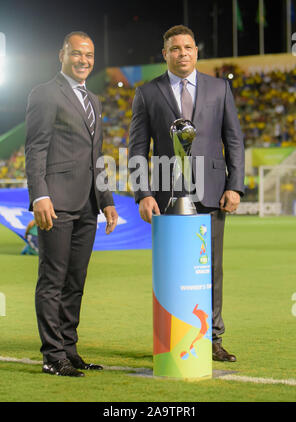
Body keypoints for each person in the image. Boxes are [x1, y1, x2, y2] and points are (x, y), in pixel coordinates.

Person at [128, 25, 245, 362]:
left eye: (188, 47)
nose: (182, 53)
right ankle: (173, 336)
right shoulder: (147, 93)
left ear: (197, 52)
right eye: (175, 48)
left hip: (211, 192)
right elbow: (137, 148)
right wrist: (142, 193)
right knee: (172, 267)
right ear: (164, 54)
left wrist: (235, 185)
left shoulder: (219, 88)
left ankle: (213, 338)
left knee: (212, 268)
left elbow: (233, 139)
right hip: (166, 195)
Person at [25, 31, 118, 377]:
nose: (84, 60)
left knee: (75, 281)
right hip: (56, 202)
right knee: (53, 280)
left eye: (90, 55)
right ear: (61, 54)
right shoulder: (45, 94)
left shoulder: (93, 100)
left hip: (87, 206)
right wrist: (40, 194)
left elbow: (97, 158)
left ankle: (69, 348)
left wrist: (106, 200)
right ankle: (52, 355)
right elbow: (35, 149)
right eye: (77, 54)